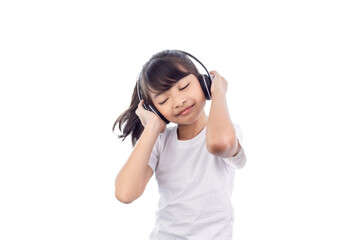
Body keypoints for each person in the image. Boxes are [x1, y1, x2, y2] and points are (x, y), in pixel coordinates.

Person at [112, 50, 247, 240]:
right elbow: (125, 193)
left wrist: (219, 93)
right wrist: (152, 127)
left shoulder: (227, 131)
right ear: (154, 110)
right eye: (163, 100)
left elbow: (219, 143)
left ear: (204, 83)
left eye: (184, 87)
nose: (179, 101)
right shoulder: (160, 142)